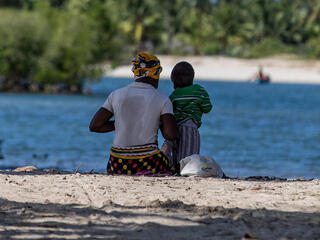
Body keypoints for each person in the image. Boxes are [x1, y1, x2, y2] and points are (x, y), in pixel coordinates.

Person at [89, 52, 178, 175]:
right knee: (170, 164)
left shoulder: (116, 95)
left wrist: (121, 123)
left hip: (117, 164)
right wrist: (159, 123)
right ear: (156, 74)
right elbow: (170, 135)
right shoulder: (162, 99)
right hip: (148, 162)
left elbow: (95, 126)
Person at [162, 61, 213, 165]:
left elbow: (170, 112)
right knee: (188, 158)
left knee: (176, 154)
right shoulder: (199, 91)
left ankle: (169, 162)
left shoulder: (174, 95)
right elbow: (207, 108)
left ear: (175, 81)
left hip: (175, 129)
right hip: (190, 128)